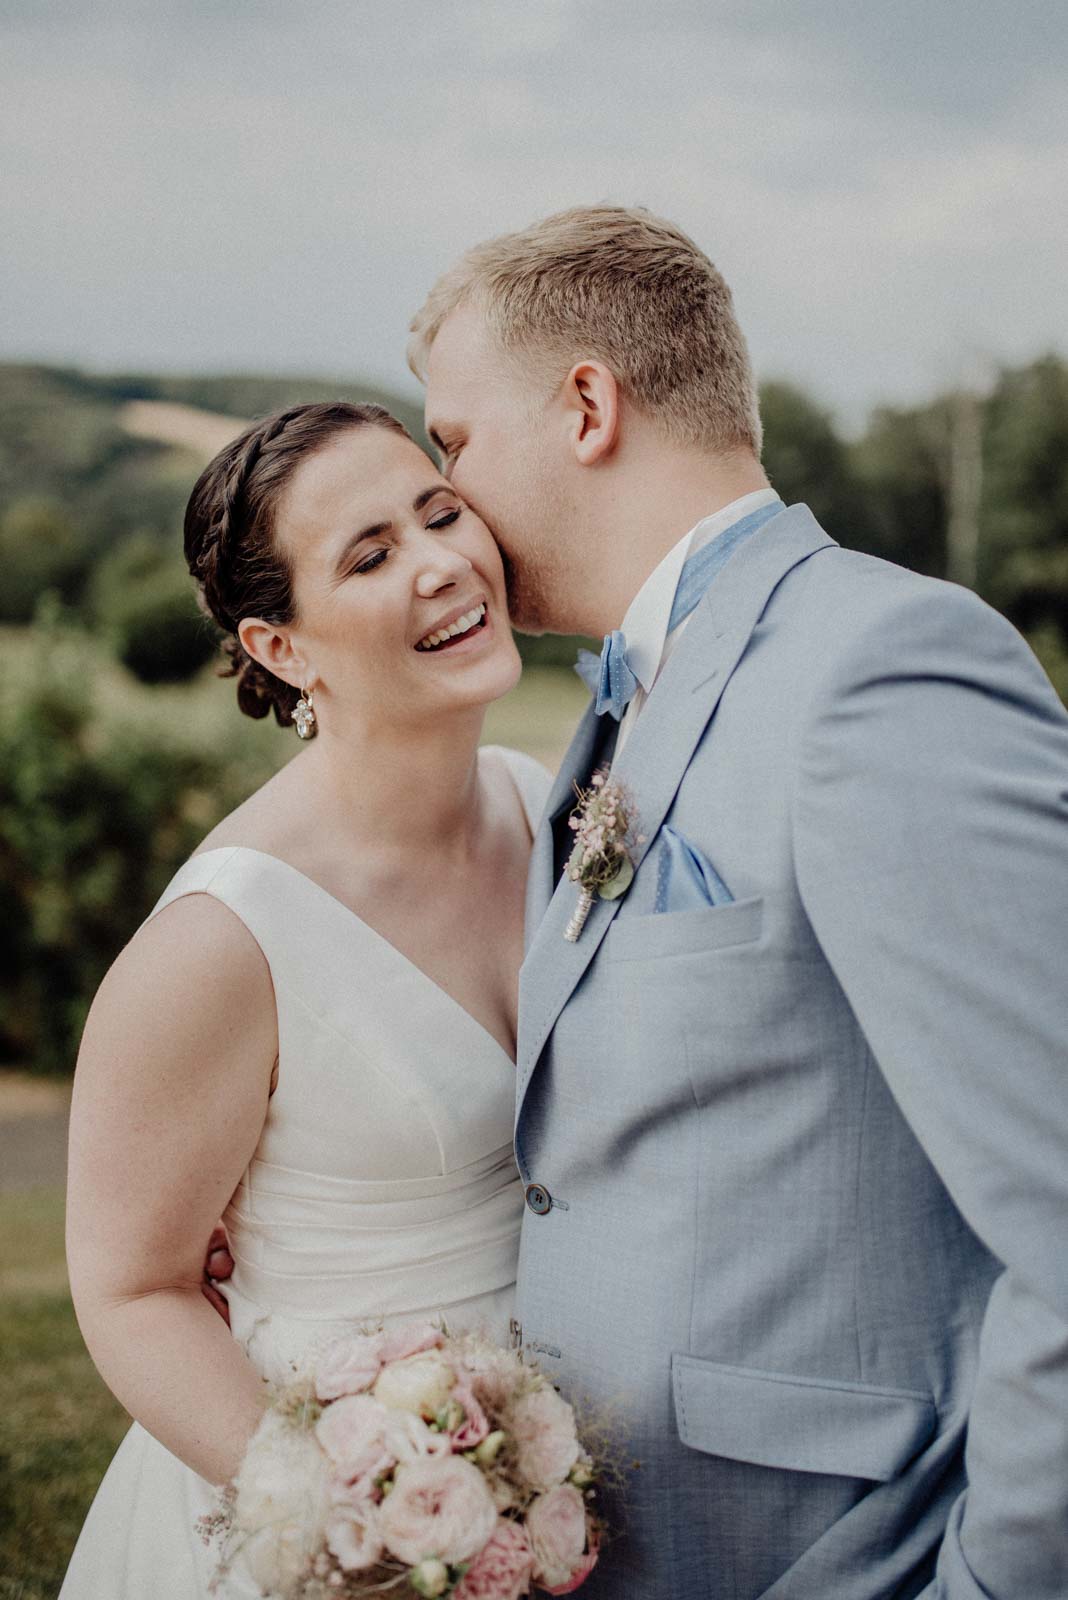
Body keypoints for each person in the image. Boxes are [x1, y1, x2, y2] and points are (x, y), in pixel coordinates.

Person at [399, 206, 1068, 1597]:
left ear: (588, 404)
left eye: (452, 444)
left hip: (840, 1561)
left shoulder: (875, 667)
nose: (446, 500)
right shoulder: (621, 703)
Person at [59, 401, 550, 1598]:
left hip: (551, 1463)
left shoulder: (546, 803)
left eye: (439, 511)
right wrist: (350, 1521)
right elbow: (134, 1290)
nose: (441, 562)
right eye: (371, 556)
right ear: (283, 650)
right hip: (349, 1508)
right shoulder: (222, 941)